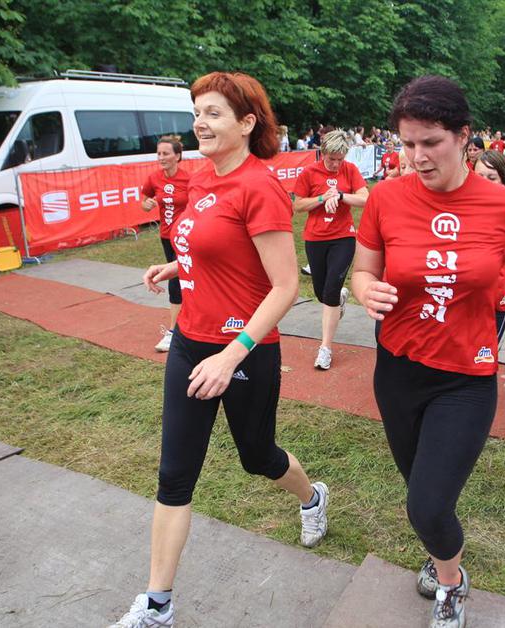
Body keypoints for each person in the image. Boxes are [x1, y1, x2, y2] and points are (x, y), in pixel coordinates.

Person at [109, 72, 330, 628]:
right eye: (196, 113)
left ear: (247, 123)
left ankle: (311, 497)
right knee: (174, 475)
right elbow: (209, 242)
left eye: (213, 114)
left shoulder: (261, 187)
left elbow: (286, 286)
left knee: (258, 458)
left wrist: (232, 355)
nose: (199, 124)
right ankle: (158, 604)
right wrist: (175, 265)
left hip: (245, 351)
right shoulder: (203, 177)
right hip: (190, 344)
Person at [351, 75, 505, 628]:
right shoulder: (386, 197)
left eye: (431, 142)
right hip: (397, 371)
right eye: (407, 143)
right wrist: (365, 290)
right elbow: (362, 270)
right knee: (421, 489)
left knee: (427, 504)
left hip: (465, 378)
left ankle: (451, 583)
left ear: (464, 136)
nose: (417, 156)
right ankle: (440, 549)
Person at [291, 130, 369, 369]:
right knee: (321, 293)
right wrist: (322, 198)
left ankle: (325, 348)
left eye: (340, 159)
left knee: (331, 290)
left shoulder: (350, 170)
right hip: (315, 238)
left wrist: (342, 196)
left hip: (343, 237)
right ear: (322, 153)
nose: (336, 164)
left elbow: (365, 198)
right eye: (332, 159)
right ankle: (339, 298)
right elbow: (298, 205)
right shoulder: (309, 173)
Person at [141, 135, 190, 353]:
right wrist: (148, 204)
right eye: (159, 153)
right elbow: (144, 203)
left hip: (186, 237)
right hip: (166, 237)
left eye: (166, 153)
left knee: (179, 280)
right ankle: (178, 330)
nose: (161, 157)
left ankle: (174, 332)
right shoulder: (154, 178)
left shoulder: (189, 179)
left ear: (177, 156)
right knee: (178, 279)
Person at [474, 149, 505, 342]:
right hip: (457, 305)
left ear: (504, 181)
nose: (483, 183)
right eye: (479, 177)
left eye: (491, 178)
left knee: (483, 359)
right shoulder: (456, 209)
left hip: (492, 304)